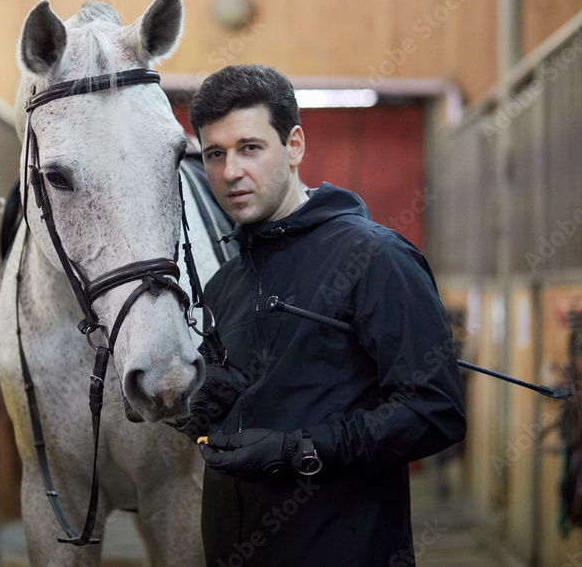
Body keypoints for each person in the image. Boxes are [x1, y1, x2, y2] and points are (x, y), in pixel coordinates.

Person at [181, 64, 467, 566]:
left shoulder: (374, 258)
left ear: (293, 146)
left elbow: (435, 410)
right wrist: (190, 403)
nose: (230, 172)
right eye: (214, 154)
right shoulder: (226, 283)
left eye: (250, 147)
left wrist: (303, 450)